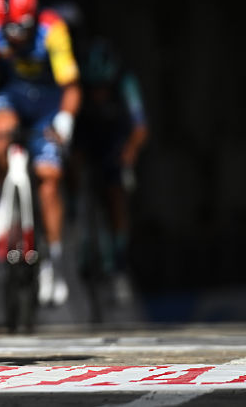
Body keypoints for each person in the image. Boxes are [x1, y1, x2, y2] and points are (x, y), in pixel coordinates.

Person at [0, 0, 81, 306]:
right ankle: (3, 200)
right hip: (12, 97)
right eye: (8, 29)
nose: (15, 36)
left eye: (21, 28)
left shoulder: (52, 29)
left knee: (49, 178)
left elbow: (70, 85)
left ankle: (53, 261)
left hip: (48, 102)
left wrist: (66, 120)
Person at [73, 37, 148, 303]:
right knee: (74, 174)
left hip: (116, 142)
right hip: (86, 137)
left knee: (116, 193)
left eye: (103, 87)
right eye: (94, 88)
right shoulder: (80, 85)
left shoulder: (126, 84)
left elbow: (140, 128)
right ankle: (76, 235)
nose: (99, 93)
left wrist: (129, 154)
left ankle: (117, 261)